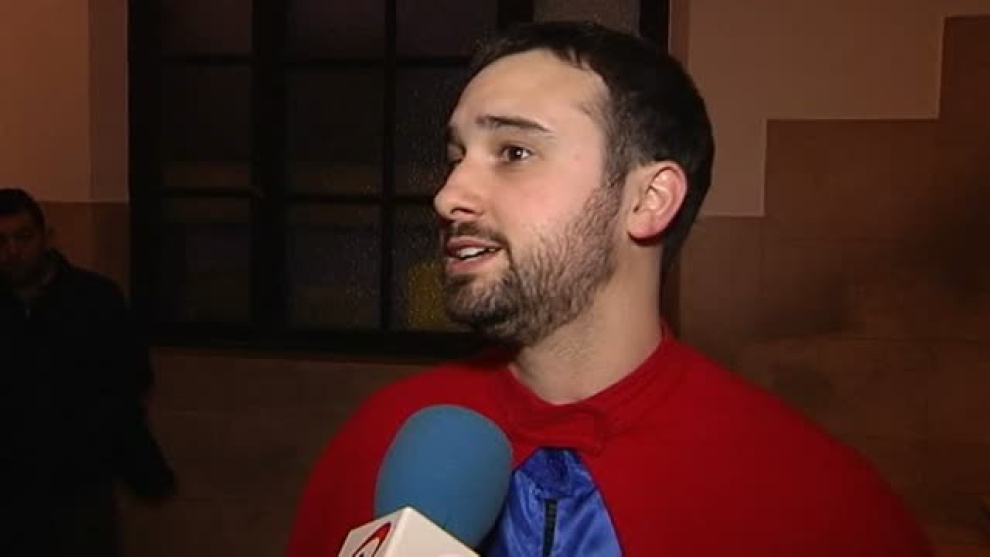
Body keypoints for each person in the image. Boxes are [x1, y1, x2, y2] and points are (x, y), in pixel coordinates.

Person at [287, 22, 932, 556]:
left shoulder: (817, 501)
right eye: (457, 156)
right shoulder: (381, 441)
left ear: (648, 200)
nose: (449, 195)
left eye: (513, 152)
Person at [0, 188, 175, 556]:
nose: (13, 251)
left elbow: (130, 377)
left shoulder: (93, 299)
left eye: (23, 236)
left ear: (46, 236)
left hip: (78, 483)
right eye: (1, 241)